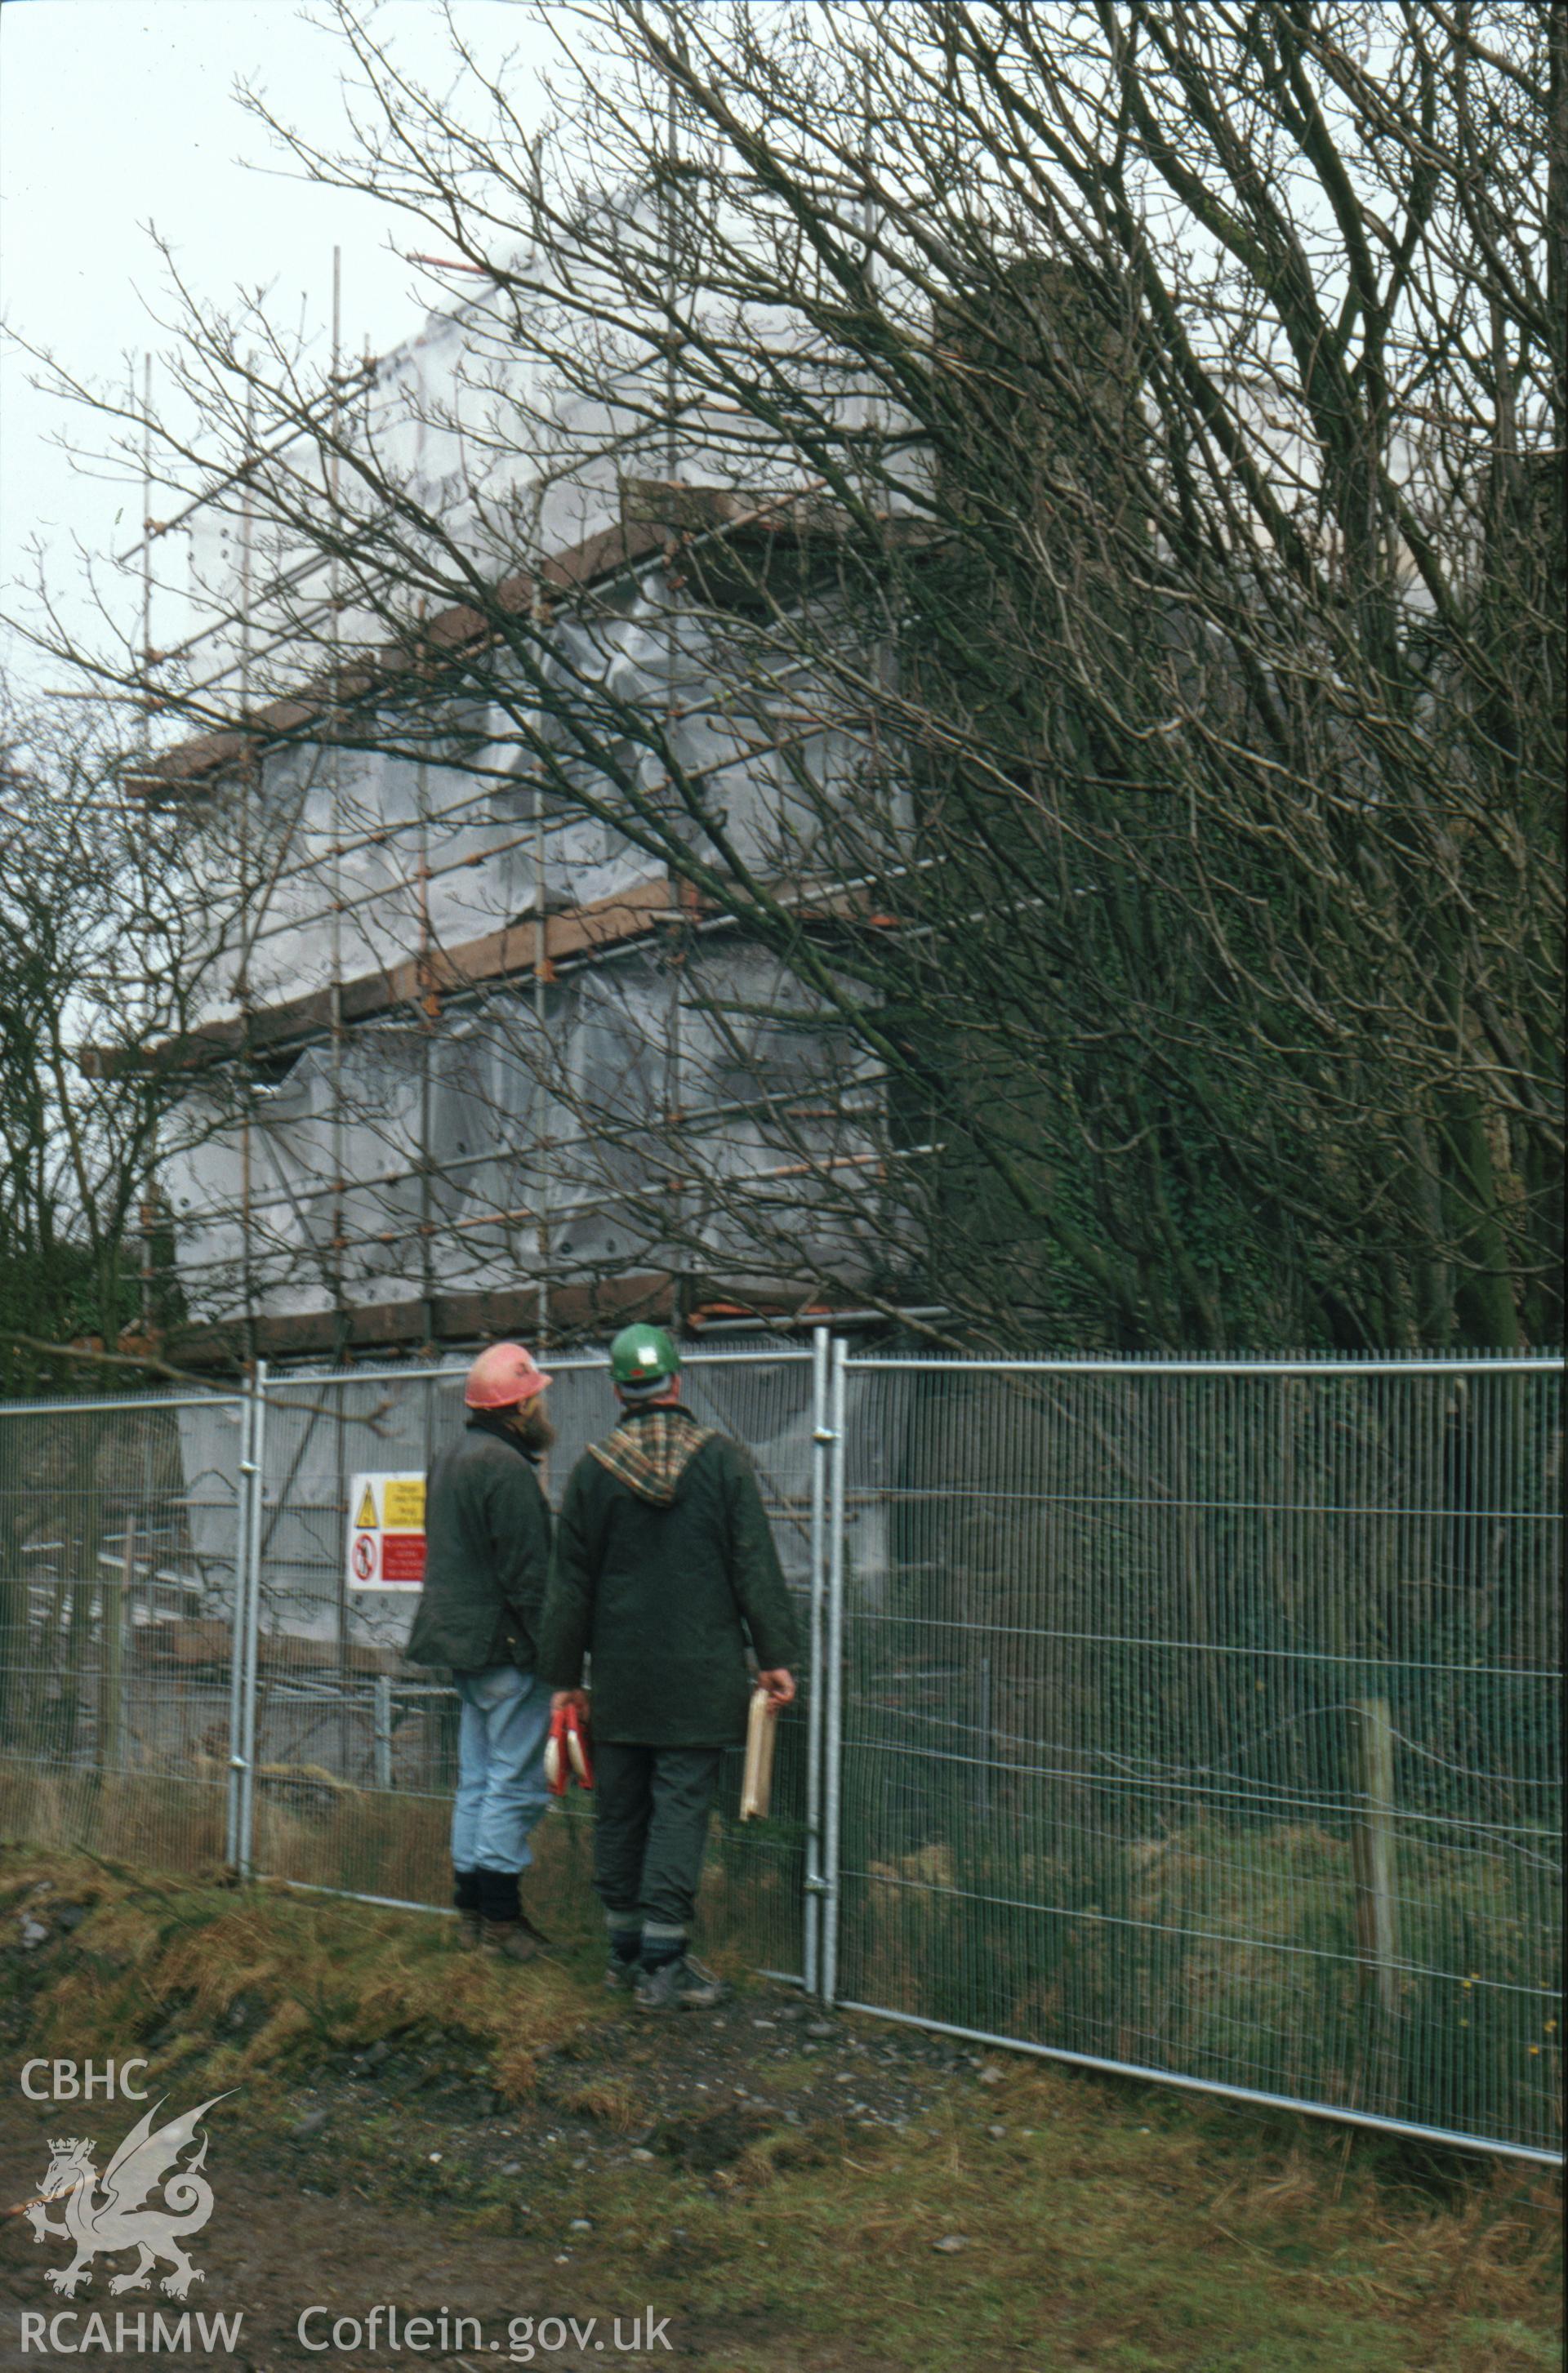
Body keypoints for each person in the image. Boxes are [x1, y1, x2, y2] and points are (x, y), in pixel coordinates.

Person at [537, 1323, 798, 2010]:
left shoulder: (593, 1472)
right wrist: (774, 1657)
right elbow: (754, 1565)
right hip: (701, 1677)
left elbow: (570, 1586)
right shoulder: (723, 1462)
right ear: (677, 1382)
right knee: (680, 1813)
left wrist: (565, 1678)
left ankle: (622, 1955)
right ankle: (666, 1965)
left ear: (620, 1390)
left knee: (620, 1813)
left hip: (621, 1680)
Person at [405, 1341, 556, 1961]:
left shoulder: (451, 1456)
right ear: (518, 1407)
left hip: (461, 1646)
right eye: (538, 1397)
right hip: (506, 1647)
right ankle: (502, 1922)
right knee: (513, 1784)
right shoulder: (506, 1467)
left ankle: (469, 1912)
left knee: (475, 1782)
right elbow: (530, 1576)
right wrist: (558, 1658)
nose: (544, 1405)